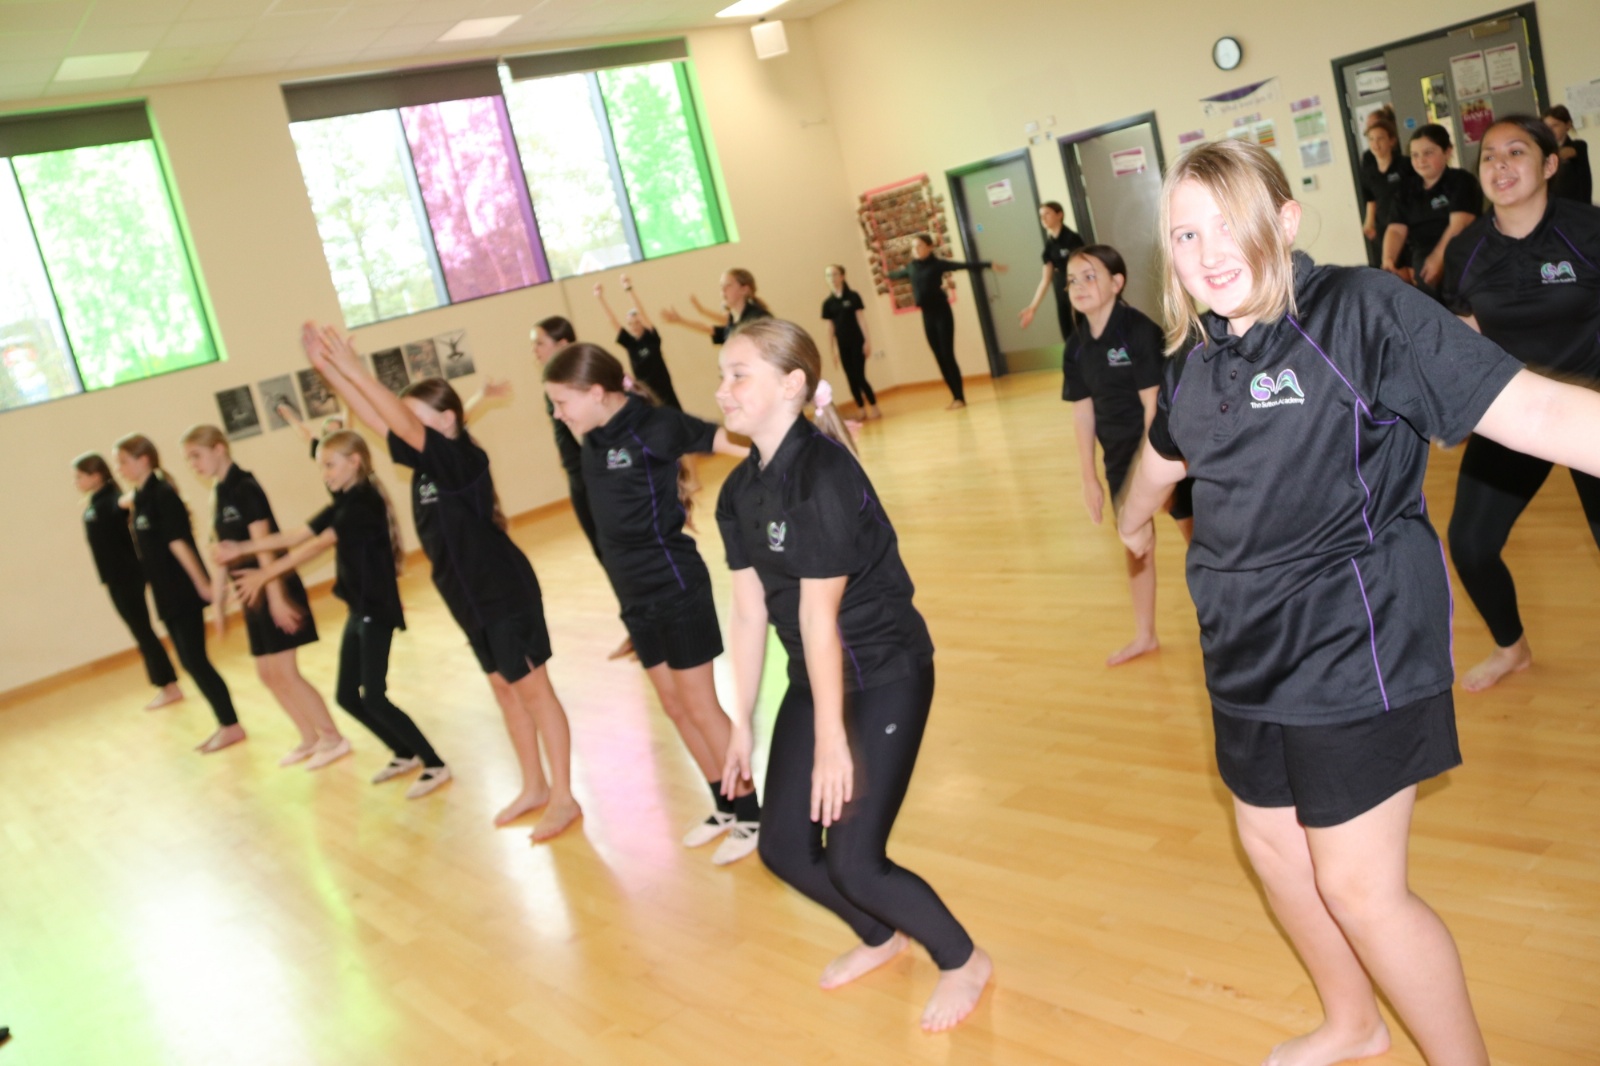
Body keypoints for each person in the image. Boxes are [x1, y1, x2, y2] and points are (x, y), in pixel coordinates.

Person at [1120, 137, 1600, 1066]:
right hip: (1242, 649)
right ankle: (1354, 1022)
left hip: (1356, 640)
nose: (1208, 252)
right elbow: (1163, 456)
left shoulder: (1359, 312)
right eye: (1185, 234)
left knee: (1359, 888)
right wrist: (1133, 523)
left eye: (1228, 224)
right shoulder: (1197, 359)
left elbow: (1539, 412)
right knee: (1272, 848)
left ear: (1285, 221)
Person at [715, 317, 992, 1033]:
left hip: (886, 671)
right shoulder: (738, 492)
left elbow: (819, 618)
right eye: (722, 375)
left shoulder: (825, 477)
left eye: (739, 374)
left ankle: (962, 959)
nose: (723, 390)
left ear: (792, 384)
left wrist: (833, 741)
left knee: (855, 861)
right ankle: (880, 935)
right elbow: (748, 613)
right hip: (818, 677)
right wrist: (741, 722)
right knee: (783, 847)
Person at [300, 323, 581, 840]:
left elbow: (396, 421)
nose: (404, 424)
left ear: (447, 419)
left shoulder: (461, 458)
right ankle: (535, 786)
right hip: (466, 598)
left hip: (502, 591)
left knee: (534, 691)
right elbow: (376, 419)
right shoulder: (424, 463)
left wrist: (354, 367)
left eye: (415, 417)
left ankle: (564, 797)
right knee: (504, 690)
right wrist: (330, 370)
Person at [543, 343, 760, 864]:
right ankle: (724, 804)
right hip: (634, 597)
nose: (557, 413)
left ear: (598, 393)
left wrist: (806, 448)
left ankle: (754, 815)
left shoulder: (653, 425)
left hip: (675, 587)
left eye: (562, 402)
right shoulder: (592, 435)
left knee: (701, 705)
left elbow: (728, 440)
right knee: (674, 705)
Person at [1441, 115, 1600, 692]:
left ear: (1550, 164)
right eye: (1488, 156)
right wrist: (1453, 409)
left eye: (1516, 152)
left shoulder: (1587, 230)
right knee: (1470, 544)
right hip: (1517, 411)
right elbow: (1465, 332)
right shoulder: (1467, 250)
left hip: (1590, 409)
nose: (1500, 165)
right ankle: (1512, 649)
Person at [217, 430, 451, 797]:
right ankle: (404, 753)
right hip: (359, 610)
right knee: (347, 696)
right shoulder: (344, 500)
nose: (324, 473)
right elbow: (299, 534)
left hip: (376, 610)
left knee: (374, 697)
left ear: (354, 462)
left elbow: (317, 545)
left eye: (329, 465)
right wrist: (242, 548)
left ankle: (434, 763)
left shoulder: (363, 502)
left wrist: (265, 573)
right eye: (321, 466)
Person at [181, 425, 348, 769]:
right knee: (267, 674)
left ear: (219, 449)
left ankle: (333, 737)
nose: (193, 464)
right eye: (189, 459)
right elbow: (221, 551)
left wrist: (276, 598)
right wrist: (219, 604)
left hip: (273, 586)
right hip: (251, 594)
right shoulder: (218, 492)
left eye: (196, 456)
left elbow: (264, 544)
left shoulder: (245, 487)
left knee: (285, 672)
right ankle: (309, 738)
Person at [1059, 245, 1193, 665]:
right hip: (1119, 457)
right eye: (1072, 280)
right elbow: (1083, 414)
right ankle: (1145, 635)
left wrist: (1149, 476)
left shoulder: (1138, 332)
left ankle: (1236, 624)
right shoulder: (1075, 346)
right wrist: (1088, 478)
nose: (1078, 286)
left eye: (1090, 276)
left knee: (1201, 542)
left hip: (1167, 453)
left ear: (1117, 283)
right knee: (1136, 545)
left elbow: (1154, 409)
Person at [113, 434, 242, 753]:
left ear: (144, 460)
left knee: (196, 660)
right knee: (188, 660)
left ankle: (230, 725)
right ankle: (226, 724)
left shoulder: (162, 494)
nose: (119, 468)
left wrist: (203, 585)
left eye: (124, 461)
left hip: (181, 589)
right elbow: (124, 502)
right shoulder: (142, 496)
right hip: (164, 592)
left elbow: (179, 544)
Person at [532, 315, 632, 661]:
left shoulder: (583, 382)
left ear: (562, 345)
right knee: (605, 553)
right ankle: (634, 624)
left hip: (597, 480)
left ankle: (643, 624)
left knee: (617, 551)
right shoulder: (555, 386)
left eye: (540, 343)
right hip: (580, 481)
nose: (535, 351)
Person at [73, 452, 183, 710]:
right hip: (115, 578)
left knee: (142, 631)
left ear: (96, 476)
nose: (76, 482)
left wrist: (153, 486)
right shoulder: (95, 503)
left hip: (126, 576)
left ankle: (169, 686)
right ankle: (167, 685)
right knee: (140, 631)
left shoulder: (111, 499)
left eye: (79, 476)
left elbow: (130, 499)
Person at [886, 234, 1005, 410]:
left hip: (942, 313)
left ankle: (960, 397)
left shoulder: (937, 264)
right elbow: (896, 274)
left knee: (947, 355)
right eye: (913, 247)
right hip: (927, 315)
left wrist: (987, 264)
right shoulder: (911, 267)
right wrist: (885, 275)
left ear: (929, 247)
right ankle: (955, 397)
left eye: (919, 246)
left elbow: (962, 265)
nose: (916, 250)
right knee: (939, 357)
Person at [1382, 124, 1481, 300]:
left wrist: (1437, 258)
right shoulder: (1406, 190)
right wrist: (1388, 260)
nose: (1421, 160)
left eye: (1428, 153)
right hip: (1424, 268)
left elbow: (1460, 224)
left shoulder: (1461, 181)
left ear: (1447, 152)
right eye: (1415, 155)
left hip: (1462, 261)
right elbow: (1396, 229)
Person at [594, 276, 682, 410]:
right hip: (646, 395)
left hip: (665, 392)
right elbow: (612, 320)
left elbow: (641, 311)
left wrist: (628, 288)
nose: (634, 326)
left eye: (637, 322)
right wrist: (600, 298)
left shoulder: (652, 338)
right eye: (630, 324)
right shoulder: (630, 343)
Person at [1017, 201, 1086, 343]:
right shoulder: (1050, 245)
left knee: (1082, 335)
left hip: (1078, 293)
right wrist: (1033, 307)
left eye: (1047, 214)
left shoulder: (1072, 239)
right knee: (1069, 338)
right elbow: (1045, 279)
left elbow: (1083, 268)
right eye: (1041, 216)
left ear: (1059, 215)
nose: (1043, 218)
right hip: (1061, 295)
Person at [819, 264, 881, 419]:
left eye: (834, 274)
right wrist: (832, 350)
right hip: (843, 344)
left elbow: (861, 320)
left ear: (842, 276)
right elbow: (830, 328)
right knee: (851, 378)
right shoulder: (828, 303)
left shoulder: (853, 296)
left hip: (857, 342)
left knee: (859, 376)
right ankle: (861, 408)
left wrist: (867, 341)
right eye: (828, 275)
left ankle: (874, 406)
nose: (831, 278)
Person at [1359, 111, 1414, 268]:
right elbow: (1370, 199)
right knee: (1387, 269)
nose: (1376, 144)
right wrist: (1369, 223)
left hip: (1407, 225)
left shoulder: (1405, 165)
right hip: (1382, 226)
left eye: (1380, 138)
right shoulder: (1368, 170)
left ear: (1392, 141)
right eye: (1371, 139)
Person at [659, 268, 771, 345]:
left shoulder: (757, 318)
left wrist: (701, 311)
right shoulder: (734, 319)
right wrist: (680, 320)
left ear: (744, 289)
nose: (723, 290)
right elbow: (708, 328)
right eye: (721, 286)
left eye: (728, 285)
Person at [1543, 105, 1593, 204]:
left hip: (1577, 204)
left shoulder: (1578, 145)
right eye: (1546, 127)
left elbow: (1565, 153)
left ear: (1568, 125)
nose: (1550, 131)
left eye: (1555, 125)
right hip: (1554, 205)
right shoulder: (1544, 149)